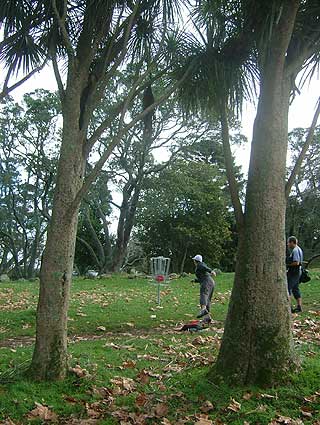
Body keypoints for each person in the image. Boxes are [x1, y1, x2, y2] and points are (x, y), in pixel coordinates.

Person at [191, 254, 216, 320]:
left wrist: (211, 271)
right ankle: (207, 318)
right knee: (207, 299)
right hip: (210, 282)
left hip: (206, 282)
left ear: (195, 261)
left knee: (203, 295)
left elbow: (205, 268)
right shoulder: (200, 266)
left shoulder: (200, 265)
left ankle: (203, 309)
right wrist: (195, 280)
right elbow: (202, 277)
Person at [286, 236, 303, 313]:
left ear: (292, 242)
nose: (287, 244)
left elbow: (296, 262)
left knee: (288, 288)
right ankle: (299, 307)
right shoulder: (299, 249)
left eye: (288, 242)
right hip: (298, 272)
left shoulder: (295, 250)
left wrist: (287, 265)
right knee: (296, 289)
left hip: (294, 272)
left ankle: (288, 307)